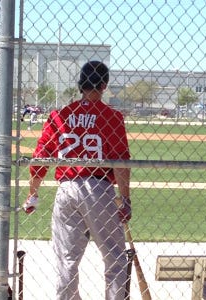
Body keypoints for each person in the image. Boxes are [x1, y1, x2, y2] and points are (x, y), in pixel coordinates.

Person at [22, 61, 131, 300]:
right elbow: (121, 161)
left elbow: (41, 157)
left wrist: (33, 193)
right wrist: (125, 199)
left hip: (66, 190)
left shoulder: (60, 115)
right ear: (104, 85)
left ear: (80, 84)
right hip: (98, 189)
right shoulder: (111, 116)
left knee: (66, 259)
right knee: (114, 257)